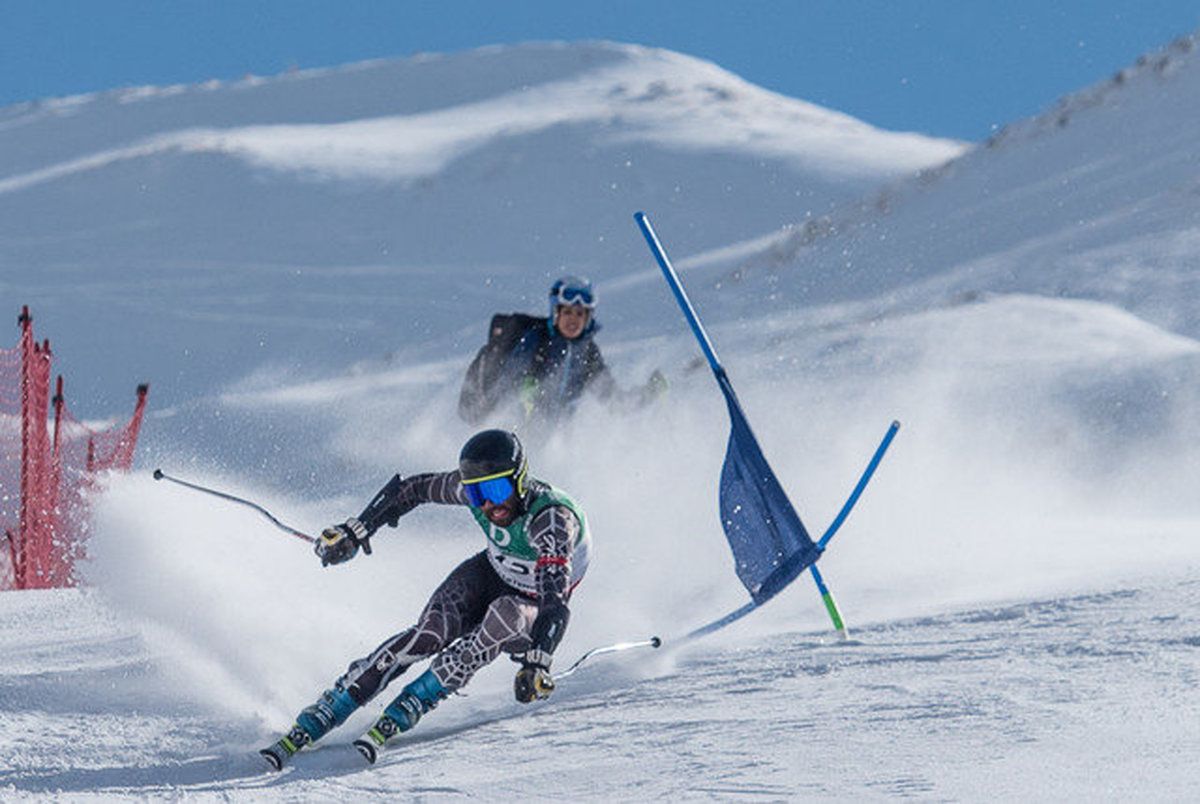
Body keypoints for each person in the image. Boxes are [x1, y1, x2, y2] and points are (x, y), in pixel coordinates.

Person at [259, 429, 590, 769]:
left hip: (532, 605)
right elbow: (414, 489)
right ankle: (339, 700)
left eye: (495, 489)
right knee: (429, 633)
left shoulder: (550, 522)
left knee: (500, 620)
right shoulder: (474, 492)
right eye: (477, 494)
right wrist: (357, 531)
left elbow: (554, 602)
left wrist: (538, 660)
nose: (488, 504)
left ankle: (421, 696)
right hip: (492, 572)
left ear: (520, 479)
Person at [458, 275, 667, 425]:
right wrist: (523, 394)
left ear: (588, 318)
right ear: (555, 313)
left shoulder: (588, 354)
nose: (573, 319)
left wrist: (650, 392)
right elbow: (503, 386)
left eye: (580, 314)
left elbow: (615, 403)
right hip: (514, 434)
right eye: (567, 312)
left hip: (553, 442)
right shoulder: (536, 339)